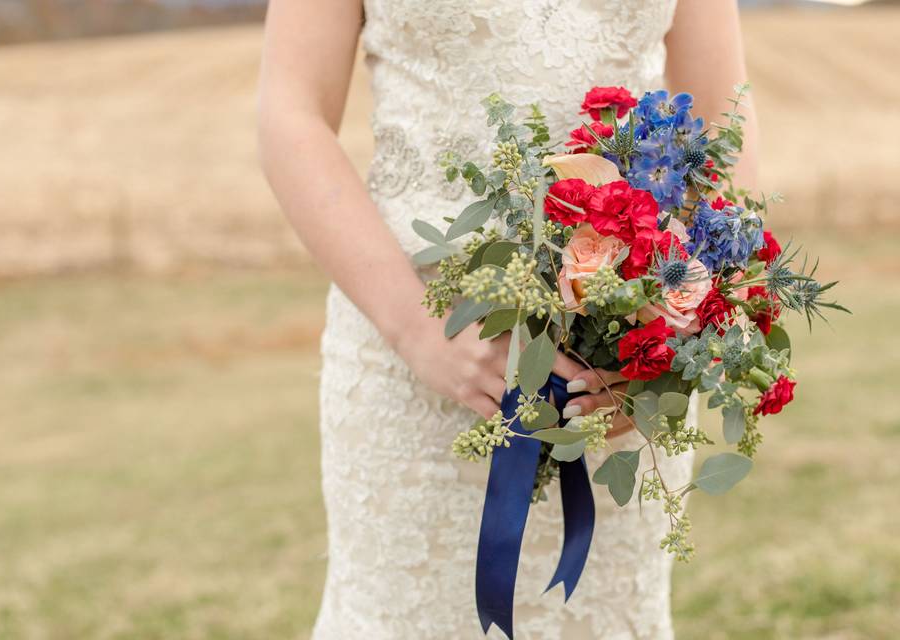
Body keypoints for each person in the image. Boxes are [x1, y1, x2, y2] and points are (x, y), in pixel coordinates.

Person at [259, 1, 758, 637]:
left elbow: (724, 123)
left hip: (617, 378)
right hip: (415, 362)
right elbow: (290, 114)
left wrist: (672, 337)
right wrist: (421, 331)